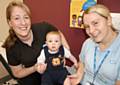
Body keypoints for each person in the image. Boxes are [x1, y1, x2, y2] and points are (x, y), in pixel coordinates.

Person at [2, 1, 70, 85]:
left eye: (26, 17)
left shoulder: (44, 28)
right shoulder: (11, 46)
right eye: (17, 18)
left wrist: (65, 51)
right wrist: (35, 68)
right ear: (10, 23)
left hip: (55, 75)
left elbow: (58, 34)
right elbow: (17, 73)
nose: (23, 23)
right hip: (32, 81)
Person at [69, 4, 120, 85]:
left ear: (109, 20)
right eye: (87, 26)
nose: (91, 31)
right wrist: (79, 74)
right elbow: (82, 62)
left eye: (95, 23)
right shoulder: (88, 43)